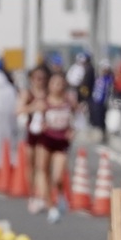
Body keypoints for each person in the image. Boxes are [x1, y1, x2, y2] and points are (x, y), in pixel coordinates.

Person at [40, 70, 78, 222]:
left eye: (61, 83)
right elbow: (33, 119)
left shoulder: (69, 102)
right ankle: (51, 207)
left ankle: (61, 195)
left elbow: (78, 119)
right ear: (49, 85)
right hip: (46, 140)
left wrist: (73, 131)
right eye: (55, 83)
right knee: (44, 173)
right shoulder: (44, 102)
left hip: (62, 141)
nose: (58, 86)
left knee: (57, 177)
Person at [17, 66, 52, 213]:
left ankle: (43, 196)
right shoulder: (28, 93)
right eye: (37, 78)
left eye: (43, 78)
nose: (40, 81)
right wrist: (33, 107)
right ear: (32, 79)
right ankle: (32, 194)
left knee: (42, 166)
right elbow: (18, 110)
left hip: (46, 134)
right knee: (30, 165)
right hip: (31, 133)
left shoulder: (49, 94)